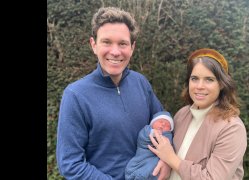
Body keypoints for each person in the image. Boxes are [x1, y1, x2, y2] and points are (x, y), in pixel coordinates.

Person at [56, 7, 170, 180]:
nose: (115, 52)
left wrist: (168, 158)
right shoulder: (75, 95)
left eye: (122, 43)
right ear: (94, 45)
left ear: (132, 47)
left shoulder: (140, 83)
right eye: (107, 42)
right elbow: (70, 163)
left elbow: (164, 125)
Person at [148, 48, 247, 179]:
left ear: (222, 84)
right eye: (194, 78)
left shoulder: (231, 128)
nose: (199, 86)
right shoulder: (181, 115)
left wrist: (171, 158)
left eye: (209, 79)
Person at [125, 111, 174, 180]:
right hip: (143, 155)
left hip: (155, 160)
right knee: (132, 167)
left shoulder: (169, 137)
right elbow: (142, 138)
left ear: (170, 130)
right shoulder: (147, 129)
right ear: (152, 123)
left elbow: (170, 148)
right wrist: (153, 133)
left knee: (153, 168)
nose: (163, 124)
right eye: (160, 121)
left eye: (167, 125)